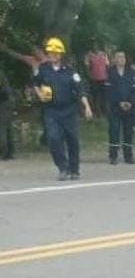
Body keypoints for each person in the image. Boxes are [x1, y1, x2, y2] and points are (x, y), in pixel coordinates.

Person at [33, 37, 93, 180]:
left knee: (72, 140)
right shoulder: (43, 69)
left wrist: (87, 107)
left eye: (56, 52)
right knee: (53, 139)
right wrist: (40, 94)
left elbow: (80, 90)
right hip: (51, 111)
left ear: (61, 54)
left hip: (69, 110)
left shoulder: (70, 71)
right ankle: (63, 168)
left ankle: (74, 169)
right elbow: (35, 83)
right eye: (50, 52)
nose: (53, 55)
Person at [105, 51, 135, 165]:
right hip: (115, 107)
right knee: (114, 131)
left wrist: (130, 102)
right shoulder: (110, 72)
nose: (121, 59)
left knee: (128, 131)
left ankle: (128, 156)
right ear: (114, 59)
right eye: (119, 57)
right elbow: (109, 91)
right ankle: (113, 156)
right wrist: (119, 102)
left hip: (129, 107)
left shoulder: (131, 72)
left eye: (123, 57)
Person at [84, 40, 109, 117]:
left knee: (104, 95)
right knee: (95, 96)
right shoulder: (88, 55)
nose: (95, 46)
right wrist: (89, 76)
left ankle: (104, 111)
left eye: (96, 45)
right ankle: (97, 111)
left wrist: (107, 75)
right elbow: (87, 66)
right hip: (94, 79)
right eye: (93, 45)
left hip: (103, 78)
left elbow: (107, 65)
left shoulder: (103, 54)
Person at [0, 67, 14, 160]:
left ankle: (5, 153)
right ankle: (9, 152)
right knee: (7, 127)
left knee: (3, 128)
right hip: (6, 102)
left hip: (3, 102)